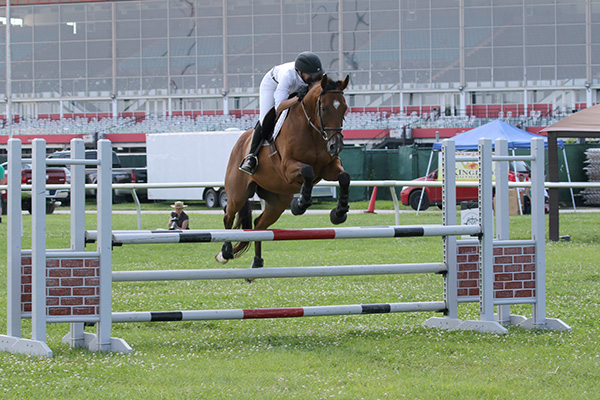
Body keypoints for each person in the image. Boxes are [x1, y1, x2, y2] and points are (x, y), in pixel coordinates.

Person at [239, 51, 324, 175]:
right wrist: (298, 99)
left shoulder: (317, 74)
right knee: (265, 118)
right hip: (272, 84)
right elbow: (279, 106)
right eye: (310, 75)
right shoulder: (288, 75)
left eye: (316, 74)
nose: (314, 78)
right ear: (300, 72)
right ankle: (251, 157)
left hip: (295, 89)